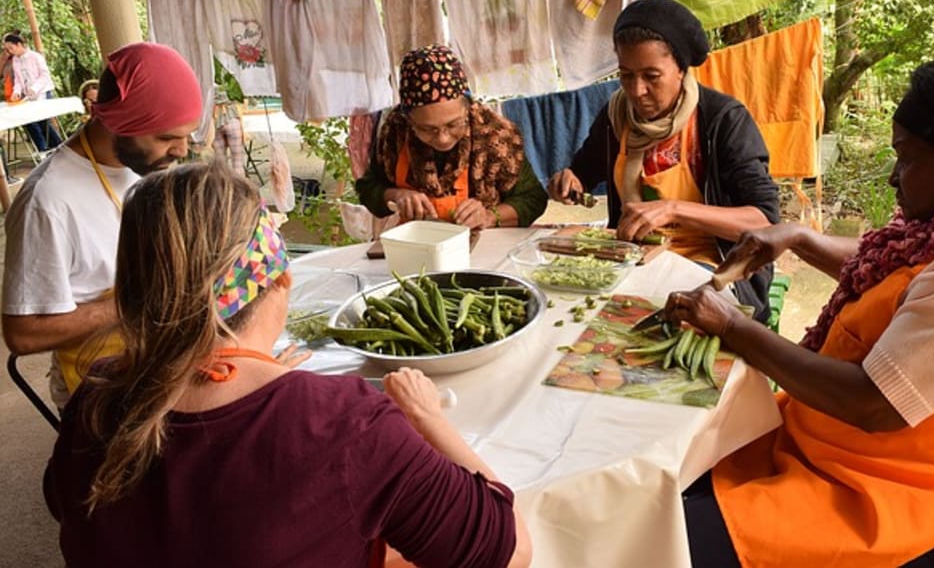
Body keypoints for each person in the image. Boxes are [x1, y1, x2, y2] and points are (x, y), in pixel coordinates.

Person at [43, 162, 532, 568]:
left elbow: (67, 504)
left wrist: (260, 374)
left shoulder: (95, 398)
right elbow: (507, 553)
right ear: (279, 280)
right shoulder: (346, 424)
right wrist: (429, 417)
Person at [666, 54, 934, 567]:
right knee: (670, 487)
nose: (894, 178)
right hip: (825, 446)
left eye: (908, 158)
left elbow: (873, 404)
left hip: (892, 493)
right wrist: (797, 238)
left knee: (665, 541)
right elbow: (893, 277)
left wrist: (732, 326)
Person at [548, 0, 779, 320]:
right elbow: (583, 171)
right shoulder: (616, 117)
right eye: (626, 75)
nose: (637, 90)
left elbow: (765, 222)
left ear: (681, 69)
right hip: (634, 258)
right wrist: (570, 179)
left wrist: (673, 209)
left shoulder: (722, 121)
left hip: (714, 266)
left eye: (651, 76)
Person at [2, 42, 202, 408]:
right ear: (117, 123)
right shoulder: (48, 201)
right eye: (167, 137)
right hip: (101, 387)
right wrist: (138, 304)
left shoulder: (139, 164)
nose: (182, 150)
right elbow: (22, 334)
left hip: (158, 359)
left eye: (186, 135)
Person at [356, 44, 548, 229]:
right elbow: (368, 188)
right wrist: (395, 195)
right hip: (418, 247)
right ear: (408, 119)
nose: (443, 138)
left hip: (483, 250)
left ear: (468, 107)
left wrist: (490, 216)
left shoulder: (495, 136)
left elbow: (533, 198)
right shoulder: (395, 132)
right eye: (427, 129)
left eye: (453, 124)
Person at [3, 30, 62, 153]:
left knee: (42, 120)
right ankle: (42, 148)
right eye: (7, 49)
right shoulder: (15, 60)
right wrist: (16, 92)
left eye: (11, 48)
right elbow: (18, 80)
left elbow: (45, 76)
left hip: (43, 92)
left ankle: (58, 146)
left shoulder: (35, 56)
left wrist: (34, 88)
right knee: (28, 120)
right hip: (28, 96)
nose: (10, 51)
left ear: (19, 44)